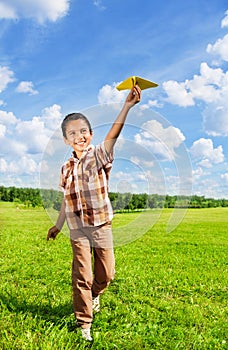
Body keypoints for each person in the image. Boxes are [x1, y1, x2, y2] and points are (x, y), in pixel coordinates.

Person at [47, 85, 141, 341]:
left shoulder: (99, 155)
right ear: (66, 139)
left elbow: (113, 135)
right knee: (82, 275)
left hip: (101, 225)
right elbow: (67, 200)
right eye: (72, 133)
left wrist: (127, 107)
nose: (79, 136)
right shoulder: (66, 168)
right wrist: (57, 225)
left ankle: (96, 294)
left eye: (84, 131)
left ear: (90, 134)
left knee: (106, 274)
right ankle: (84, 323)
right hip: (77, 228)